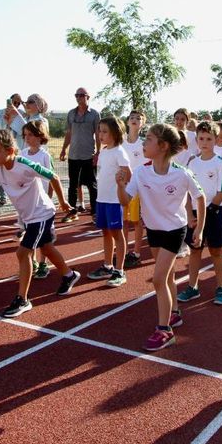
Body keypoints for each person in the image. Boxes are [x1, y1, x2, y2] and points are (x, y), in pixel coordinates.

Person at [116, 123, 205, 351]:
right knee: (166, 276)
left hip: (175, 231)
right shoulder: (141, 172)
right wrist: (120, 184)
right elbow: (125, 200)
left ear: (163, 146)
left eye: (149, 139)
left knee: (158, 279)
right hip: (153, 230)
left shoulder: (182, 174)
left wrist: (199, 228)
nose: (143, 143)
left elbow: (200, 197)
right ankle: (174, 312)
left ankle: (165, 331)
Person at [0, 129, 79, 317]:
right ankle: (69, 275)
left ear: (10, 150)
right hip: (29, 217)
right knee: (46, 248)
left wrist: (62, 202)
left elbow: (53, 176)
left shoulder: (24, 164)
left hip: (41, 213)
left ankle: (22, 299)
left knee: (23, 253)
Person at [177, 121, 222, 306]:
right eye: (201, 138)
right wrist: (190, 214)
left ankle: (221, 287)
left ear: (216, 140)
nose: (205, 142)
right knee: (195, 251)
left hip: (213, 212)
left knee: (216, 251)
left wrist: (206, 213)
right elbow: (187, 191)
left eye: (209, 139)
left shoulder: (221, 163)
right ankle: (193, 287)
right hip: (194, 214)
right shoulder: (192, 162)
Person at [88, 116, 131, 287]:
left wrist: (124, 192)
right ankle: (107, 265)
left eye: (105, 131)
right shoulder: (104, 151)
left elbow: (128, 174)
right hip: (102, 199)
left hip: (114, 201)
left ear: (115, 133)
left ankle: (120, 270)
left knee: (117, 234)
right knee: (105, 233)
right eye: (100, 130)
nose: (101, 134)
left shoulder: (119, 152)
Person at [60, 87, 99, 221]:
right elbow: (69, 133)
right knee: (72, 185)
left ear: (88, 97)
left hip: (88, 155)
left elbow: (98, 135)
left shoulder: (94, 114)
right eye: (77, 95)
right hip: (73, 155)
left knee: (92, 185)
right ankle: (72, 212)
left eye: (82, 95)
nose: (79, 97)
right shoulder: (71, 113)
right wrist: (64, 149)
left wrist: (98, 153)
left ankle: (95, 211)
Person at [21, 119, 54, 279]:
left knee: (44, 237)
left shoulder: (44, 156)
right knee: (30, 233)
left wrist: (49, 197)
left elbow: (52, 179)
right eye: (25, 135)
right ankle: (32, 261)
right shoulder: (22, 154)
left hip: (42, 203)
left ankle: (43, 263)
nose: (27, 138)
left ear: (40, 136)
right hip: (28, 202)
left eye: (31, 135)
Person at [122, 110, 150, 267]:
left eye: (138, 118)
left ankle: (137, 252)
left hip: (138, 187)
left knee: (136, 220)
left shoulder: (143, 144)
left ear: (142, 123)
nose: (134, 120)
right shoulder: (121, 143)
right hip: (124, 187)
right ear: (127, 122)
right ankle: (124, 251)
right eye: (132, 117)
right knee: (123, 220)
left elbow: (147, 164)